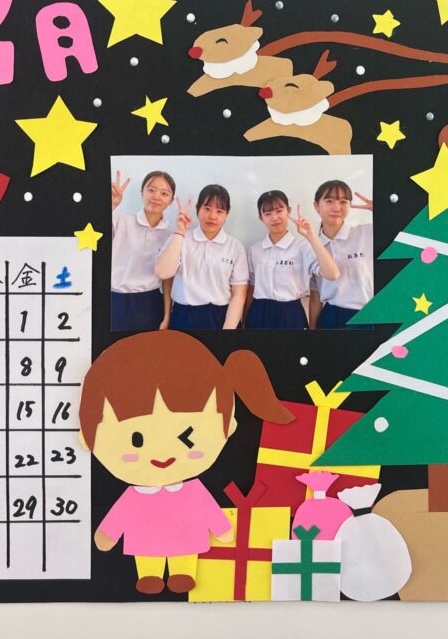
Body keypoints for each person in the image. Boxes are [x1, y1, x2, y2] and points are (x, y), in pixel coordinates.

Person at [79, 331, 294, 594]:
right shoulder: (137, 495)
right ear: (87, 437)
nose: (161, 453)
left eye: (187, 436)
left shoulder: (191, 492)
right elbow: (119, 516)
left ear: (229, 425)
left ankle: (182, 572)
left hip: (185, 537)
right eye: (137, 440)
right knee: (148, 555)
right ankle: (150, 575)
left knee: (184, 552)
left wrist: (221, 528)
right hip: (148, 541)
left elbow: (209, 510)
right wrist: (108, 533)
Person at [155, 184, 249, 330]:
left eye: (219, 211)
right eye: (207, 209)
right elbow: (163, 273)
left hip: (221, 316)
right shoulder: (181, 238)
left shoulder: (235, 246)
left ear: (227, 214)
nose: (212, 216)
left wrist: (227, 332)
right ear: (197, 209)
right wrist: (180, 232)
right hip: (184, 315)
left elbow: (239, 295)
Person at [244, 190, 340, 330]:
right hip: (258, 312)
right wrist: (245, 318)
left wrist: (312, 236)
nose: (274, 218)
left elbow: (333, 274)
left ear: (288, 211)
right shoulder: (255, 250)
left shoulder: (303, 248)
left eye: (279, 211)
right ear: (261, 217)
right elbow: (251, 287)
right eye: (268, 213)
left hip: (290, 313)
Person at [109, 170, 176, 331]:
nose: (156, 196)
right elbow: (94, 239)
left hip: (151, 302)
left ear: (171, 200)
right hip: (116, 300)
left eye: (164, 193)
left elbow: (167, 279)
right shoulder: (120, 220)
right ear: (142, 193)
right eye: (151, 190)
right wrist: (112, 205)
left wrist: (167, 315)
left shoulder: (171, 233)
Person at [307, 180, 374, 329]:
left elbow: (406, 233)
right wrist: (312, 331)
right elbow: (315, 297)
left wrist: (383, 210)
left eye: (343, 202)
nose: (337, 208)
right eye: (329, 201)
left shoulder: (366, 233)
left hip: (367, 315)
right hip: (330, 316)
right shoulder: (312, 246)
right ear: (316, 206)